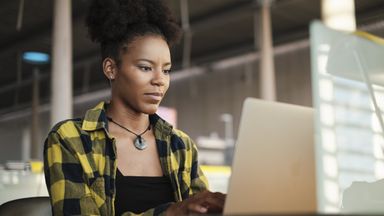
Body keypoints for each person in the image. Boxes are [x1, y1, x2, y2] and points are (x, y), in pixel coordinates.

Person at [43, 0, 225, 215]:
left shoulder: (181, 146)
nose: (160, 80)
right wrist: (171, 212)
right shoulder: (70, 139)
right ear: (111, 68)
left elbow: (197, 210)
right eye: (145, 67)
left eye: (166, 70)